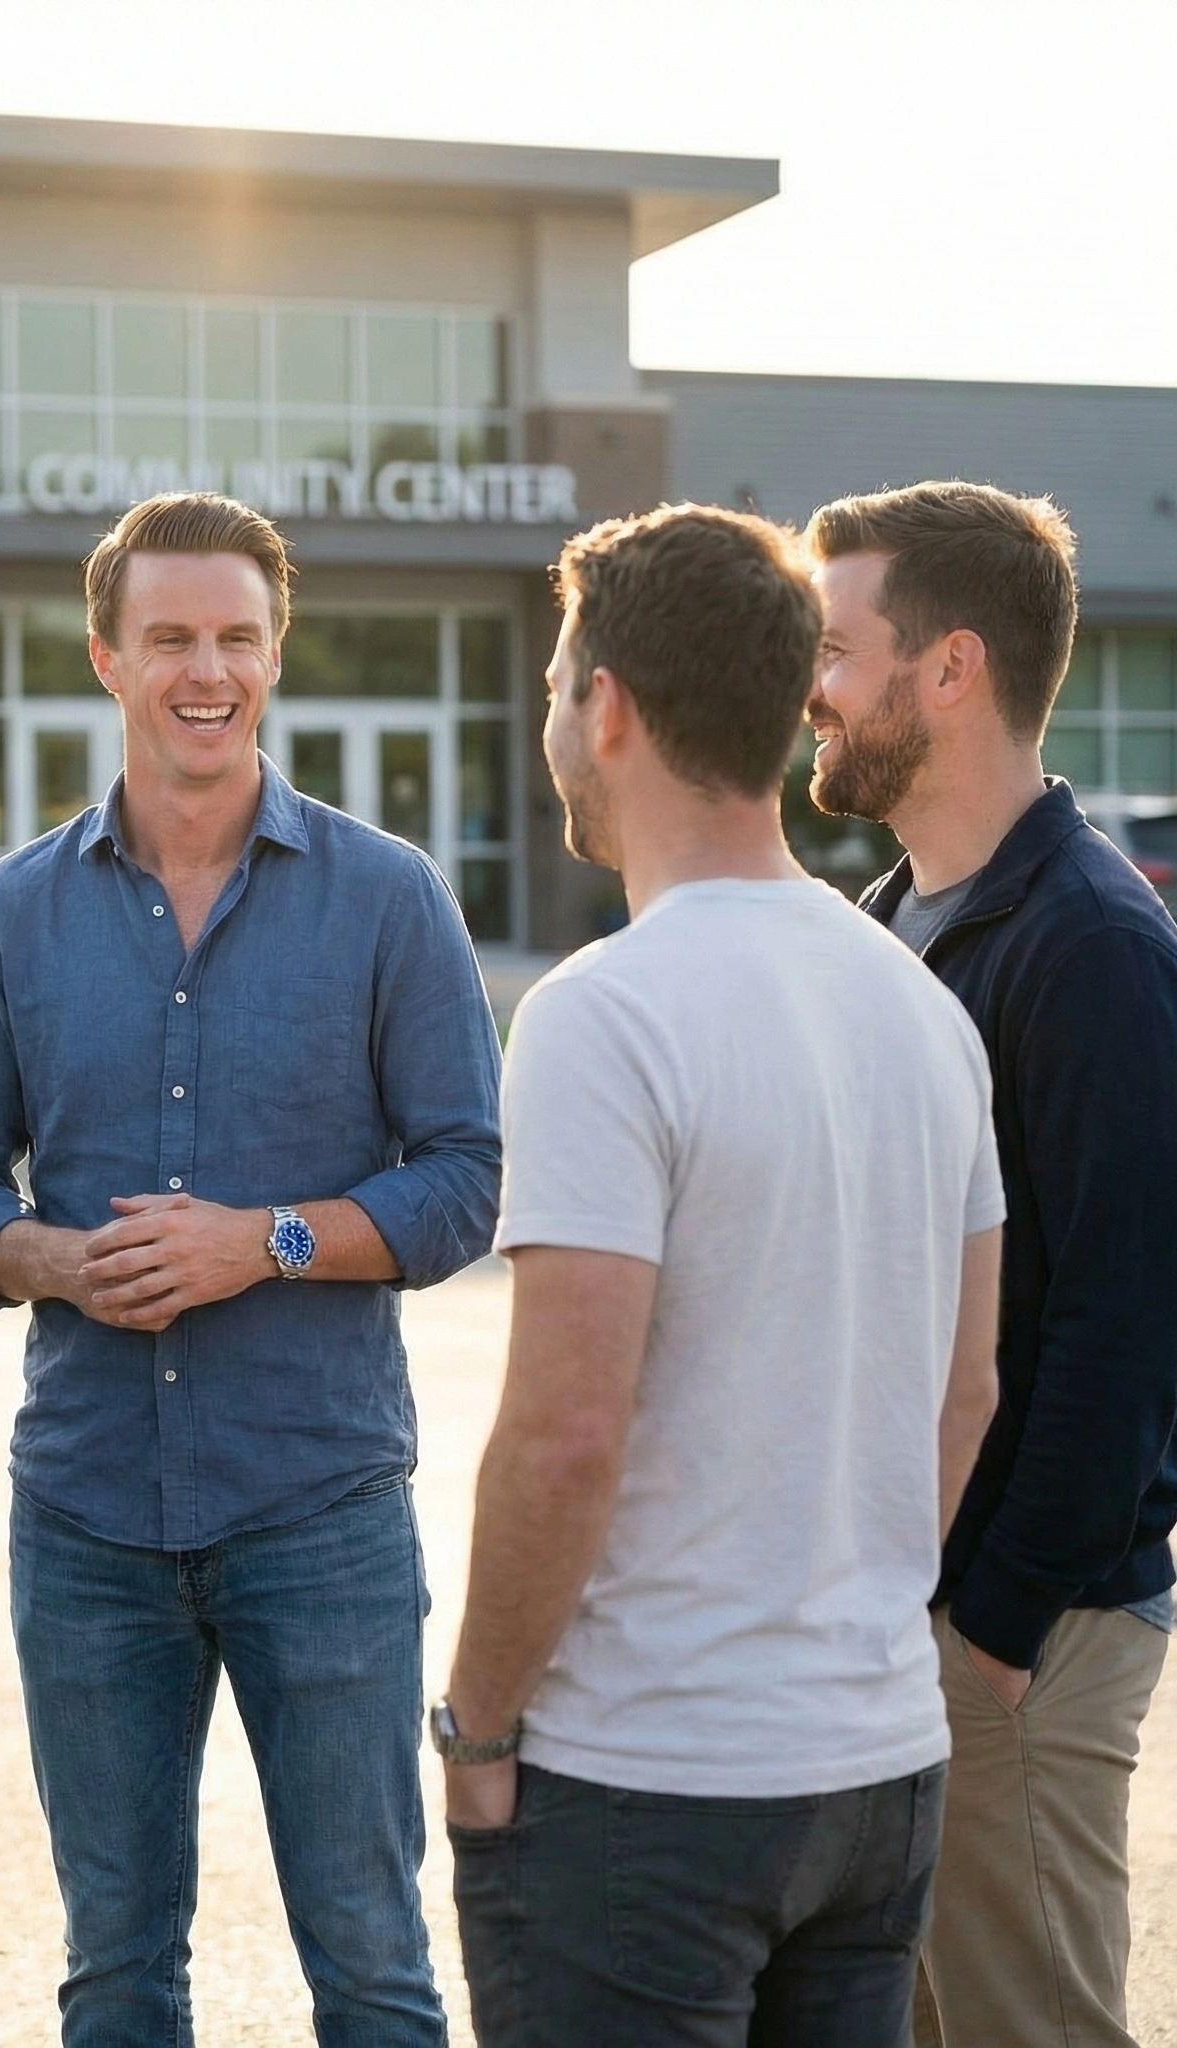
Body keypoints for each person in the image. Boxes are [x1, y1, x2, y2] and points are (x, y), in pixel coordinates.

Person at [0, 491, 501, 2046]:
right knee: (116, 1969)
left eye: (237, 636)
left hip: (321, 1508)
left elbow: (462, 1183)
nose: (206, 669)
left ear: (275, 652)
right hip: (90, 1516)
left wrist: (270, 1243)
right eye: (170, 637)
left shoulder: (388, 900)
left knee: (370, 1962)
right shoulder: (13, 914)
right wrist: (50, 1259)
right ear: (108, 657)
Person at [442, 503, 1005, 2047]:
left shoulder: (601, 1017)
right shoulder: (924, 1012)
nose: (558, 722)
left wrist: (476, 1722)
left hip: (650, 1792)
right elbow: (968, 1389)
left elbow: (565, 1435)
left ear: (607, 708)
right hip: (877, 1766)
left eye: (562, 687)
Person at [807, 480, 1177, 2048]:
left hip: (1027, 1632)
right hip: (913, 1618)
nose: (802, 686)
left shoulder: (1088, 946)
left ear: (947, 670)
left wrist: (998, 1631)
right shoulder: (889, 921)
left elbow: (1127, 1330)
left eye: (832, 647)